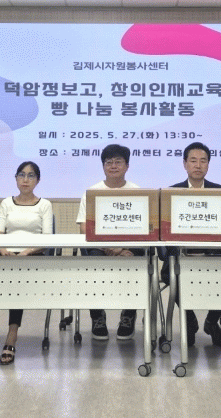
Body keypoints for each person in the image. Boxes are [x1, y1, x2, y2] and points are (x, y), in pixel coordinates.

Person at [0, 161, 53, 366]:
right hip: (6, 256)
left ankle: (11, 336)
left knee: (15, 282)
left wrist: (26, 252)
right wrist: (2, 250)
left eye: (31, 175)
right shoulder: (6, 203)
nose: (25, 179)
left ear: (38, 180)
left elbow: (47, 239)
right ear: (15, 178)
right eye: (21, 175)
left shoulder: (44, 205)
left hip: (32, 257)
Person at [161, 142, 221, 348]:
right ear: (185, 164)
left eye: (203, 161)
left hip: (212, 255)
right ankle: (189, 319)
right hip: (180, 255)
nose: (198, 165)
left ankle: (212, 322)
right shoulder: (171, 192)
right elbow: (165, 231)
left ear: (208, 164)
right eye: (193, 161)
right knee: (172, 274)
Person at [76, 144, 144, 341]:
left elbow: (144, 228)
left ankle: (128, 315)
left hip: (129, 247)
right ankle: (97, 317)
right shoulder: (92, 192)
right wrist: (109, 247)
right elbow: (84, 228)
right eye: (109, 162)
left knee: (137, 263)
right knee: (93, 264)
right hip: (99, 247)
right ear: (103, 166)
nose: (113, 166)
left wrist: (122, 248)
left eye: (118, 162)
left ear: (127, 166)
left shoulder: (138, 192)